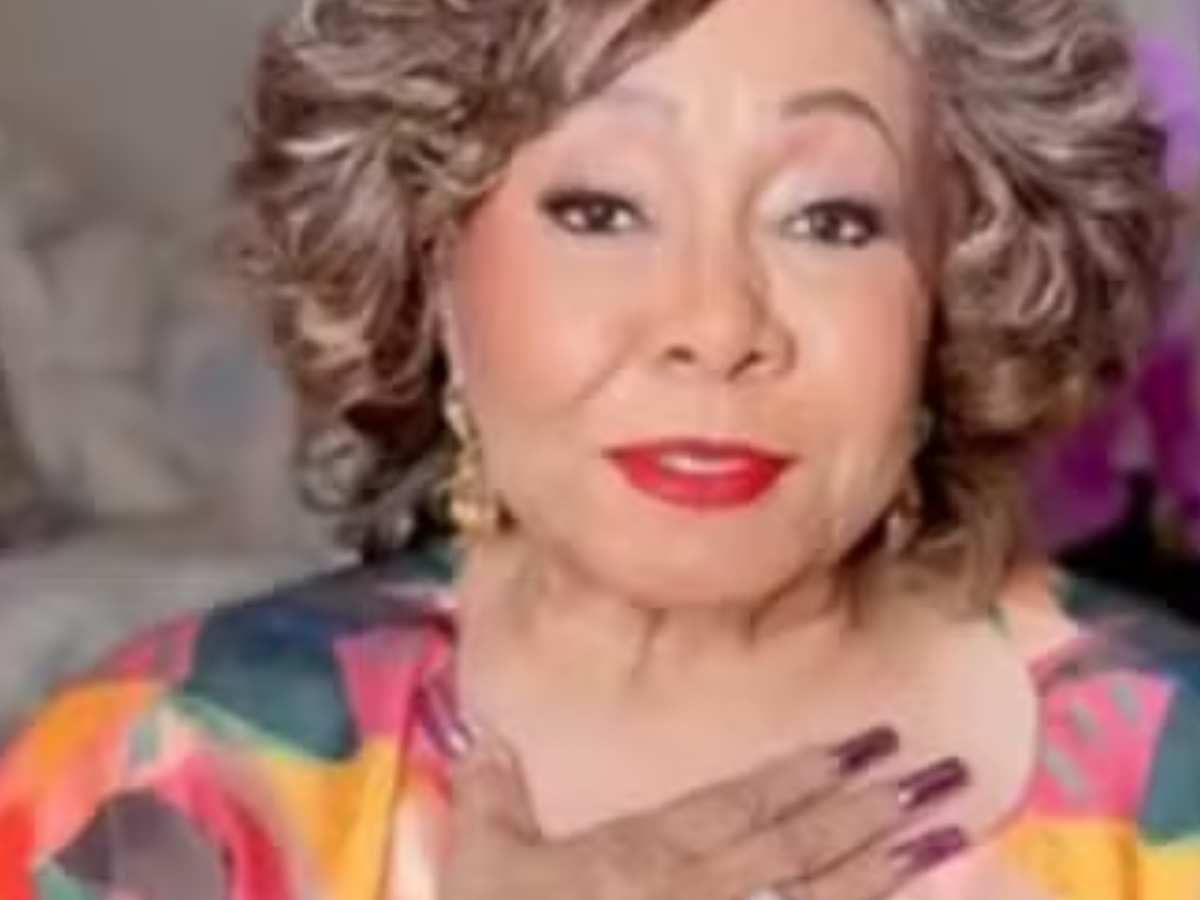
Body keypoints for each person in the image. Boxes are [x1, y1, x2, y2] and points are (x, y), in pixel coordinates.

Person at [0, 0, 1194, 897]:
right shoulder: (172, 766)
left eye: (829, 220)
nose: (714, 325)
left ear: (954, 289)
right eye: (601, 210)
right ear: (433, 268)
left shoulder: (1171, 779)